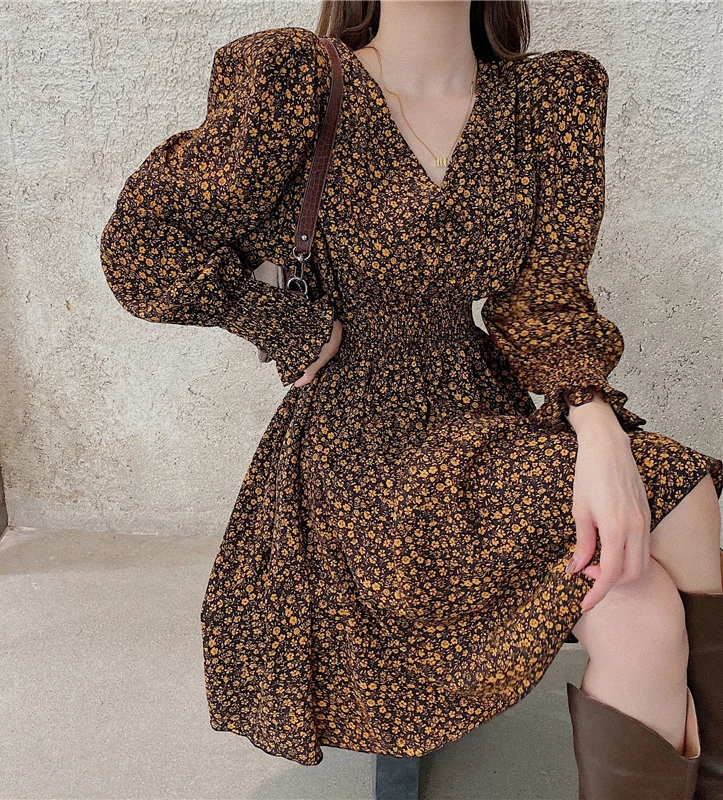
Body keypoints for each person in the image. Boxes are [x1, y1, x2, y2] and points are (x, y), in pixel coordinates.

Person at [99, 1, 723, 796]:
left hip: (484, 418)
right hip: (359, 449)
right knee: (657, 563)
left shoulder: (547, 100)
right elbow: (142, 247)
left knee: (670, 539)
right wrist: (282, 323)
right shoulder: (299, 81)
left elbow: (545, 299)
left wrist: (598, 429)